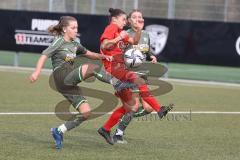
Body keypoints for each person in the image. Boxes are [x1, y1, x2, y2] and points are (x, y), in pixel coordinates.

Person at [29, 16, 112, 149]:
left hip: (68, 83)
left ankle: (59, 131)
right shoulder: (59, 41)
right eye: (73, 28)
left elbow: (90, 54)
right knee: (91, 68)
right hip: (61, 76)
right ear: (64, 29)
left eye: (77, 28)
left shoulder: (75, 44)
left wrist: (104, 56)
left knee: (86, 112)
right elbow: (44, 55)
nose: (75, 30)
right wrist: (36, 72)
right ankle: (118, 83)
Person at [97, 8, 172, 145]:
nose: (125, 22)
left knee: (131, 108)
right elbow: (104, 44)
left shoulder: (123, 32)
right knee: (136, 91)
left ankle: (105, 129)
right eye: (124, 19)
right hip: (114, 69)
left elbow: (135, 42)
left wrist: (138, 30)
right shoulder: (112, 27)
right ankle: (158, 110)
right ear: (115, 19)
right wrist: (119, 38)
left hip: (123, 69)